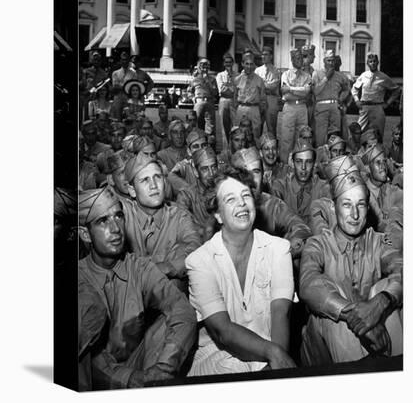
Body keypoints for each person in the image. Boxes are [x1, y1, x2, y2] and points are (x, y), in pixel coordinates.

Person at [78, 187, 197, 390]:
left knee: (167, 319)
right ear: (85, 234)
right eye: (102, 221)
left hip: (141, 364)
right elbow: (89, 358)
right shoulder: (79, 279)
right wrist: (130, 378)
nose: (115, 228)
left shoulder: (139, 268)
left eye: (118, 216)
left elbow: (181, 310)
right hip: (94, 379)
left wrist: (164, 368)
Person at [185, 168, 296, 376]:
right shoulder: (199, 261)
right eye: (230, 199)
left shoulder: (279, 249)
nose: (242, 204)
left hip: (268, 357)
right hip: (217, 358)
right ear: (218, 214)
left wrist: (276, 364)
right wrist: (274, 353)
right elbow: (222, 331)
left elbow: (281, 313)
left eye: (246, 195)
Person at [299, 157, 403, 365]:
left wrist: (381, 302)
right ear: (333, 207)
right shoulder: (317, 244)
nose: (355, 214)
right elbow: (308, 283)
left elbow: (402, 267)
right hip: (322, 350)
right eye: (347, 205)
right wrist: (356, 316)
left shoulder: (377, 242)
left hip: (375, 334)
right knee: (330, 316)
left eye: (361, 205)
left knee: (389, 290)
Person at [123, 154, 201, 291]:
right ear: (132, 191)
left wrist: (166, 267)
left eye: (157, 177)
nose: (153, 186)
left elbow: (195, 249)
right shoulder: (122, 216)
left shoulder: (178, 216)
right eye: (145, 180)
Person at [231, 147, 312, 260]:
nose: (252, 180)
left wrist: (285, 250)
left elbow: (300, 228)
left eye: (256, 172)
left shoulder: (272, 204)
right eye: (244, 174)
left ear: (263, 175)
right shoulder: (224, 207)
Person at [271, 141, 330, 225]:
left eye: (308, 162)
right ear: (292, 163)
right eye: (299, 161)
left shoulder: (322, 188)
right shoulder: (281, 186)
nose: (303, 167)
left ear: (314, 164)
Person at [351, 52, 400, 140]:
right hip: (364, 107)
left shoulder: (383, 77)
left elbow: (396, 90)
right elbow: (354, 89)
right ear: (367, 63)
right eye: (370, 61)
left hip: (378, 107)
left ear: (378, 62)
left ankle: (378, 152)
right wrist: (356, 100)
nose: (372, 63)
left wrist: (388, 103)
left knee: (378, 133)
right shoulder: (364, 75)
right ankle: (359, 152)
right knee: (359, 132)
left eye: (374, 61)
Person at [176, 146, 218, 243]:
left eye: (214, 167)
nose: (211, 174)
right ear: (196, 172)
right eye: (205, 169)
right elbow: (183, 227)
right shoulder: (186, 195)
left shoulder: (225, 190)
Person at [360, 143, 403, 233]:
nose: (383, 167)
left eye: (384, 161)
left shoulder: (392, 191)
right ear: (368, 168)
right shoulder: (360, 194)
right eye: (378, 162)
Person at [311, 49, 350, 147]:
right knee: (321, 136)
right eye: (329, 60)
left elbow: (346, 89)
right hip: (321, 106)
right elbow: (315, 91)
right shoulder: (317, 73)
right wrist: (326, 78)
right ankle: (320, 159)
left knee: (334, 136)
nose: (331, 63)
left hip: (335, 107)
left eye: (333, 60)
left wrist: (341, 99)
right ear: (324, 61)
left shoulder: (339, 76)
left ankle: (333, 158)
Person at [279, 48, 312, 163]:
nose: (300, 60)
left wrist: (291, 89)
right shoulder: (285, 74)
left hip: (302, 109)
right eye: (297, 58)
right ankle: (284, 166)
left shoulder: (307, 76)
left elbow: (307, 92)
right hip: (289, 107)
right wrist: (300, 92)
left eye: (302, 58)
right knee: (286, 139)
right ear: (292, 59)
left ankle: (299, 163)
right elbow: (286, 94)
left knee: (302, 137)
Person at [234, 51, 266, 142]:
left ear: (254, 65)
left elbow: (263, 100)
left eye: (251, 64)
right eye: (247, 64)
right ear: (242, 64)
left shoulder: (259, 80)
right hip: (241, 108)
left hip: (254, 109)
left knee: (255, 134)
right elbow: (234, 98)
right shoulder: (237, 79)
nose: (249, 66)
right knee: (239, 133)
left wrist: (259, 113)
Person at [255, 46, 282, 138]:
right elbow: (255, 86)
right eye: (262, 55)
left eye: (266, 55)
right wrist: (265, 85)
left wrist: (262, 84)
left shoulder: (276, 71)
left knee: (272, 127)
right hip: (259, 100)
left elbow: (273, 86)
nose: (263, 57)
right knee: (257, 126)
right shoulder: (257, 70)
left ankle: (273, 147)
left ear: (271, 56)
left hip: (271, 99)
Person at [189, 58, 218, 135]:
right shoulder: (194, 79)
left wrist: (207, 81)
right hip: (199, 102)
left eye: (206, 66)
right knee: (197, 125)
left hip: (209, 102)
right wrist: (193, 99)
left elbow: (215, 92)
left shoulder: (212, 79)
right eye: (202, 66)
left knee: (210, 127)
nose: (204, 68)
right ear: (199, 67)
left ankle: (210, 144)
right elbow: (189, 91)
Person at [216, 53, 237, 149]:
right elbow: (222, 90)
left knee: (235, 126)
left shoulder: (237, 75)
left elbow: (236, 90)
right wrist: (231, 87)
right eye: (226, 62)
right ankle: (225, 150)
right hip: (224, 101)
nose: (228, 64)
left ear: (232, 63)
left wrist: (228, 86)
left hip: (234, 101)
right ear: (224, 64)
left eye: (230, 62)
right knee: (224, 127)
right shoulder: (220, 75)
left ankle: (234, 149)